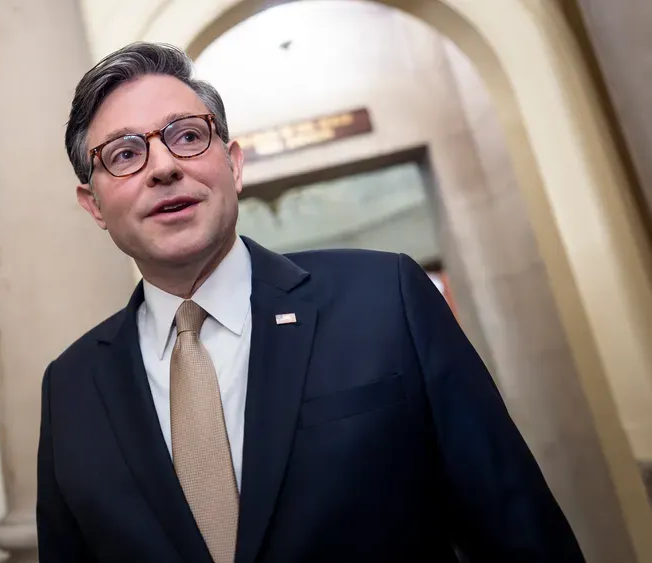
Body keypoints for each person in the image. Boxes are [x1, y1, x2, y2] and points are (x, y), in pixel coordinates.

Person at [36, 42, 584, 563]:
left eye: (187, 136)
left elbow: (517, 529)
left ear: (234, 165)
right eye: (125, 154)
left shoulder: (385, 299)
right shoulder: (70, 388)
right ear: (94, 204)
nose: (163, 167)